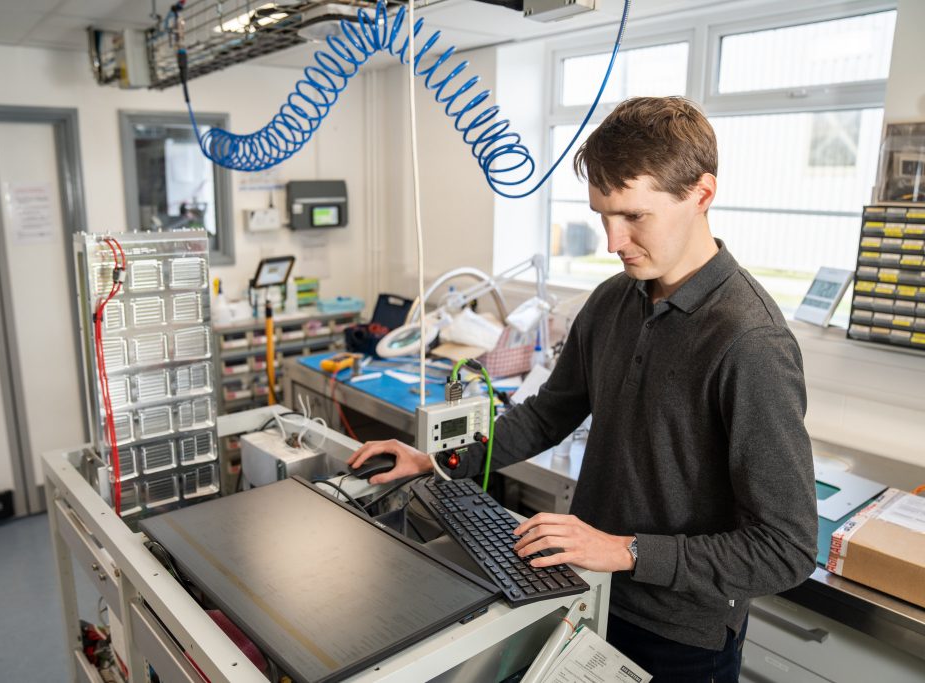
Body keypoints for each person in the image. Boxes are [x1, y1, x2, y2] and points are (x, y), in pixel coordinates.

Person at [349, 96, 819, 681]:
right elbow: (548, 414)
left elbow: (787, 549)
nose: (612, 240)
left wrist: (625, 551)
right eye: (602, 214)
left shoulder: (750, 342)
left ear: (701, 194)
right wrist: (439, 461)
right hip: (584, 594)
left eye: (634, 216)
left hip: (677, 634)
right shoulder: (613, 300)